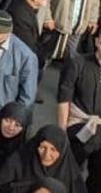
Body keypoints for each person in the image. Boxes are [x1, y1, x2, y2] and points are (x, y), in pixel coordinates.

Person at [56, 30, 101, 191]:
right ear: (97, 41)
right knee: (67, 174)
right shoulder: (77, 63)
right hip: (78, 128)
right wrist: (62, 131)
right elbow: (64, 99)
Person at [0, 125, 87, 193]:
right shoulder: (19, 161)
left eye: (53, 150)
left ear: (62, 152)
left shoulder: (72, 177)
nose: (46, 154)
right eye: (43, 147)